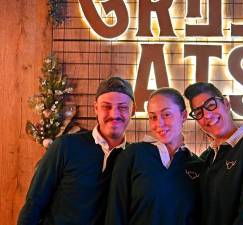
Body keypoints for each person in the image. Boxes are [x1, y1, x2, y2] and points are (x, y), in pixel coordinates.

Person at [18, 76, 136, 225]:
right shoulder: (65, 146)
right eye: (106, 106)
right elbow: (33, 205)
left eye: (123, 107)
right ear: (96, 108)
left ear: (133, 110)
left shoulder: (134, 158)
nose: (114, 114)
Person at [183, 82, 243, 225]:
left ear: (226, 104)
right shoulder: (208, 156)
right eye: (198, 113)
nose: (207, 115)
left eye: (210, 105)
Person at [105, 87, 202, 225]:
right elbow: (115, 213)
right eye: (153, 117)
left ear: (184, 115)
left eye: (166, 114)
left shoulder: (197, 165)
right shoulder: (132, 155)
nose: (159, 124)